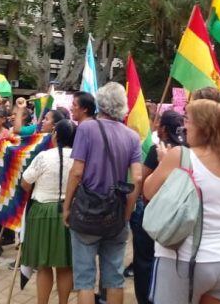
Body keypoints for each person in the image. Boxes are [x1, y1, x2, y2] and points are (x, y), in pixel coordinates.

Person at [144, 100, 220, 304]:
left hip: (186, 259)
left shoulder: (180, 155)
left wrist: (164, 162)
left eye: (187, 120)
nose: (184, 126)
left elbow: (148, 190)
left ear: (203, 125)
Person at [63, 82, 142, 304]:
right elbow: (137, 178)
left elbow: (77, 172)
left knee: (85, 280)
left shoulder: (87, 128)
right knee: (114, 278)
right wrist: (127, 212)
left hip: (86, 213)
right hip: (116, 215)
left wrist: (66, 206)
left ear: (100, 103)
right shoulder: (132, 137)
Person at [130, 110, 185, 304]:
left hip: (153, 214)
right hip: (179, 216)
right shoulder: (188, 150)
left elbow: (141, 181)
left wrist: (131, 206)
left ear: (162, 128)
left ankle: (146, 299)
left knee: (144, 262)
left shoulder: (157, 151)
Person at [21, 119, 76, 304]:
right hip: (69, 213)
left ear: (56, 135)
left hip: (42, 212)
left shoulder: (43, 156)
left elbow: (25, 183)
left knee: (43, 265)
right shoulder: (79, 158)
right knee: (65, 265)